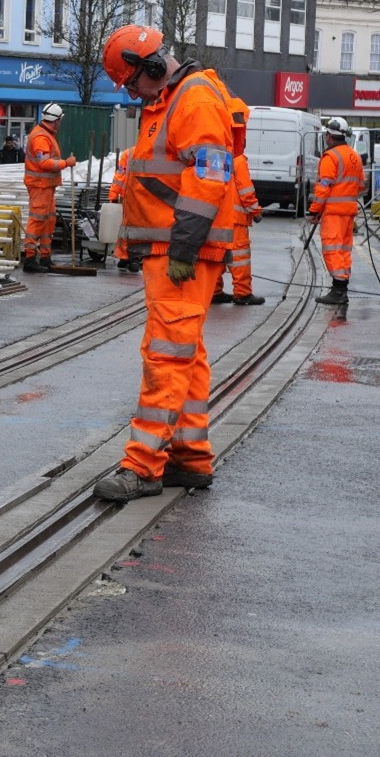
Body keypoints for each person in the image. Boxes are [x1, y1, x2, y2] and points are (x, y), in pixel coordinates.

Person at [93, 25, 236, 503]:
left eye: (132, 83)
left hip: (183, 256)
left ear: (151, 67)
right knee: (186, 355)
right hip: (172, 252)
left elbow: (211, 171)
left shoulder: (192, 100)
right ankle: (189, 456)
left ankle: (144, 465)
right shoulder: (168, 102)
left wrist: (182, 248)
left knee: (166, 356)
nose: (133, 94)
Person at [211, 99, 265, 306]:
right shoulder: (238, 159)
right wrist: (255, 211)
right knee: (240, 256)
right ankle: (242, 293)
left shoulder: (214, 154)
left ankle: (214, 291)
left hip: (216, 216)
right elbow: (245, 190)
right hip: (235, 219)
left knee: (217, 254)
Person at [308, 117, 365, 306]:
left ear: (330, 136)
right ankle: (341, 287)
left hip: (333, 212)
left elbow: (323, 187)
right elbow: (361, 186)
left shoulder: (330, 157)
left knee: (332, 249)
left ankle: (338, 289)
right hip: (349, 211)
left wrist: (314, 210)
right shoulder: (354, 156)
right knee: (343, 249)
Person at [22, 103, 75, 273]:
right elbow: (43, 162)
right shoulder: (41, 137)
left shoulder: (46, 134)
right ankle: (30, 258)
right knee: (37, 219)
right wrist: (66, 163)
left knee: (48, 221)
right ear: (57, 120)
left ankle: (45, 256)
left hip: (46, 186)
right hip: (40, 186)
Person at [105, 148, 139, 272]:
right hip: (140, 197)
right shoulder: (150, 152)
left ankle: (129, 257)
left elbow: (120, 176)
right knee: (132, 227)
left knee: (127, 227)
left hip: (130, 196)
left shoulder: (128, 154)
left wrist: (113, 195)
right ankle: (129, 257)